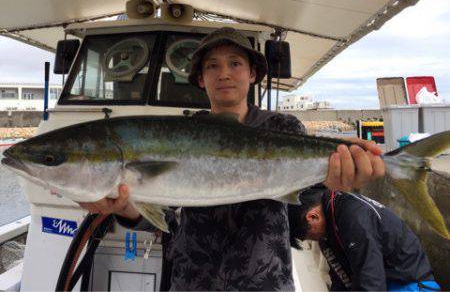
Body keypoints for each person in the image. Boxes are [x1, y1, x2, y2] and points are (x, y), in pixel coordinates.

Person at [79, 27, 385, 290]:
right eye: (212, 66)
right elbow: (165, 220)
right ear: (201, 79)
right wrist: (127, 209)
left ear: (252, 73)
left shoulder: (281, 128)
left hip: (263, 280)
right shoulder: (187, 132)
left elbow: (302, 201)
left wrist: (337, 180)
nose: (223, 73)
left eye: (235, 63)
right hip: (193, 280)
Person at [288, 186, 441, 291]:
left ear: (312, 217)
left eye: (309, 237)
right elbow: (340, 279)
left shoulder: (353, 216)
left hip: (409, 284)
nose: (315, 240)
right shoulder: (329, 228)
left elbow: (371, 281)